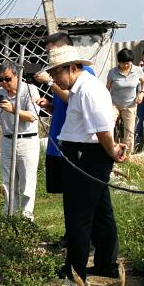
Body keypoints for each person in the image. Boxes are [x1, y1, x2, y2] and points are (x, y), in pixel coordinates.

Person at [46, 45, 127, 281]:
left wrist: (112, 150)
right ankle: (105, 263)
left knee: (78, 215)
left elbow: (102, 128)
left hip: (88, 155)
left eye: (56, 74)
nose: (54, 79)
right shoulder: (80, 89)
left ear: (71, 68)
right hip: (82, 152)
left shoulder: (89, 89)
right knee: (101, 212)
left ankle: (74, 270)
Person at [34, 32, 96, 195]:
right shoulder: (59, 77)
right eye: (48, 52)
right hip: (57, 141)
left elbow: (72, 99)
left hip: (72, 143)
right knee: (64, 194)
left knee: (75, 194)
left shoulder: (84, 73)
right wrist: (49, 106)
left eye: (52, 51)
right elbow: (64, 107)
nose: (50, 56)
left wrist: (49, 82)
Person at [0, 62, 42, 218]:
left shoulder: (30, 90)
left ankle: (25, 217)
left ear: (17, 76)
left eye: (7, 79)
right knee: (7, 180)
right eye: (1, 79)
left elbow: (32, 116)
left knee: (27, 181)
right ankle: (9, 214)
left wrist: (13, 109)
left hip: (27, 140)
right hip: (8, 140)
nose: (4, 82)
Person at [106, 49, 144, 149]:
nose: (126, 66)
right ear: (119, 62)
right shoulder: (112, 72)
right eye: (123, 63)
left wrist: (141, 93)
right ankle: (111, 149)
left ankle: (127, 155)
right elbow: (107, 88)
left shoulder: (137, 71)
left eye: (128, 63)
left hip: (130, 104)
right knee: (108, 125)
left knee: (129, 131)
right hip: (114, 104)